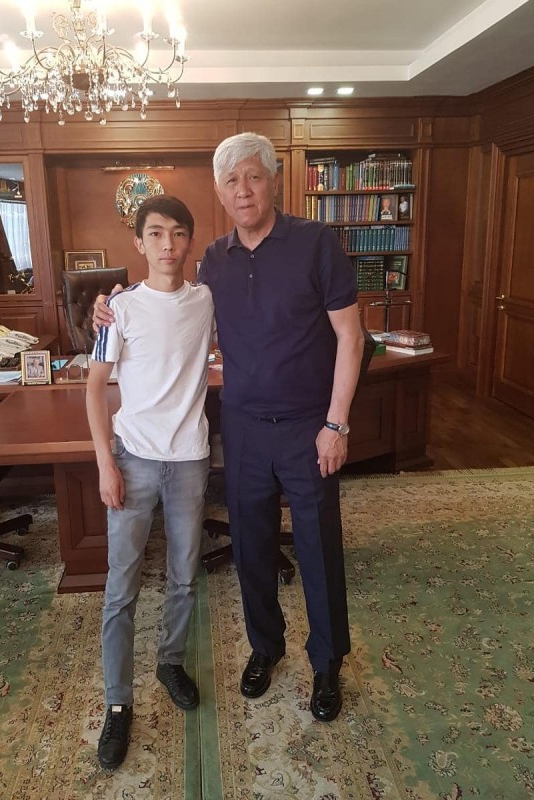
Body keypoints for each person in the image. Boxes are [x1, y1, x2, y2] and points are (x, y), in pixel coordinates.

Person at [94, 132, 364, 724]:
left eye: (254, 177)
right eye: (231, 181)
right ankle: (266, 647)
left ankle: (327, 664)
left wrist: (337, 423)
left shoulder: (317, 243)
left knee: (319, 549)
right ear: (219, 192)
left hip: (308, 428)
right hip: (242, 429)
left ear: (274, 182)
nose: (243, 190)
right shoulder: (214, 261)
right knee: (251, 548)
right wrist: (110, 302)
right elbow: (165, 298)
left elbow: (351, 336)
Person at [86, 195, 215, 770]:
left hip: (189, 459)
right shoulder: (119, 309)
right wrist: (104, 463)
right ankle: (118, 702)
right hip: (133, 457)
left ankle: (170, 661)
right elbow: (94, 389)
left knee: (184, 577)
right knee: (122, 585)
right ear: (139, 243)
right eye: (156, 233)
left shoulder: (207, 300)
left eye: (178, 233)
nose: (168, 244)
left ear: (190, 242)